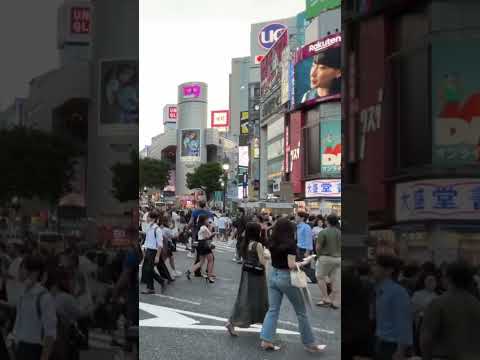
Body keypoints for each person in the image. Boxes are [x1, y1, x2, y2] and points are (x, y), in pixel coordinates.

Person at [259, 218, 325, 353]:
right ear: (289, 230)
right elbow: (291, 266)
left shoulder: (272, 241)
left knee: (273, 309)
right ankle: (310, 343)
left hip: (273, 275)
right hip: (286, 277)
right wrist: (305, 262)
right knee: (301, 312)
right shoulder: (290, 244)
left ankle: (266, 340)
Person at [420, 261, 480, 360]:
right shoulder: (476, 304)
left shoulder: (438, 303)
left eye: (443, 276)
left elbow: (426, 339)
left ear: (449, 278)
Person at [225, 222, 268, 336]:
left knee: (244, 297)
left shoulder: (245, 243)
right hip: (257, 275)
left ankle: (233, 322)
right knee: (260, 298)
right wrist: (267, 256)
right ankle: (265, 325)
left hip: (247, 273)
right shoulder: (257, 245)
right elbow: (262, 261)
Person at [12, 255, 57, 360]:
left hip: (34, 350)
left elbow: (50, 334)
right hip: (20, 348)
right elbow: (19, 322)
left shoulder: (44, 297)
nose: (19, 271)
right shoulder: (23, 294)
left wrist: (44, 358)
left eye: (22, 268)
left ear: (35, 273)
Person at [372, 255, 413, 360]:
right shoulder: (379, 289)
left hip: (392, 345)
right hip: (380, 342)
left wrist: (400, 351)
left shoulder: (398, 292)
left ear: (389, 270)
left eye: (376, 266)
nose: (373, 269)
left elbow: (404, 322)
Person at [315, 214, 341, 308]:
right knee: (335, 279)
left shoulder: (323, 232)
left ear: (327, 221)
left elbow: (318, 247)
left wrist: (318, 256)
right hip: (338, 258)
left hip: (326, 258)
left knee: (320, 277)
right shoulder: (340, 232)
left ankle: (326, 298)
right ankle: (334, 300)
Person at [185, 215, 216, 284]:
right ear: (204, 220)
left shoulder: (202, 227)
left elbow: (206, 234)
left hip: (200, 244)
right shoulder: (203, 227)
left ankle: (189, 271)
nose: (209, 221)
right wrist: (213, 234)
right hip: (204, 244)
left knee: (201, 262)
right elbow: (206, 237)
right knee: (211, 260)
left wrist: (210, 228)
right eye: (207, 220)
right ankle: (210, 276)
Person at [141, 211, 165, 294]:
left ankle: (153, 286)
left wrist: (157, 256)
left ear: (153, 219)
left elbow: (160, 244)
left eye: (148, 217)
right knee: (148, 270)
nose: (146, 218)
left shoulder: (157, 230)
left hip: (154, 252)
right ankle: (156, 284)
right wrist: (144, 249)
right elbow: (147, 240)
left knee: (148, 270)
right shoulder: (149, 227)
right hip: (148, 251)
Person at [295, 211, 316, 284]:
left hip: (304, 249)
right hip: (298, 248)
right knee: (300, 265)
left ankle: (312, 278)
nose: (295, 217)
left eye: (296, 216)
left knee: (305, 266)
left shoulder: (306, 227)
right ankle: (302, 279)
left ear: (302, 218)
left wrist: (307, 251)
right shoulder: (298, 226)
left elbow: (309, 240)